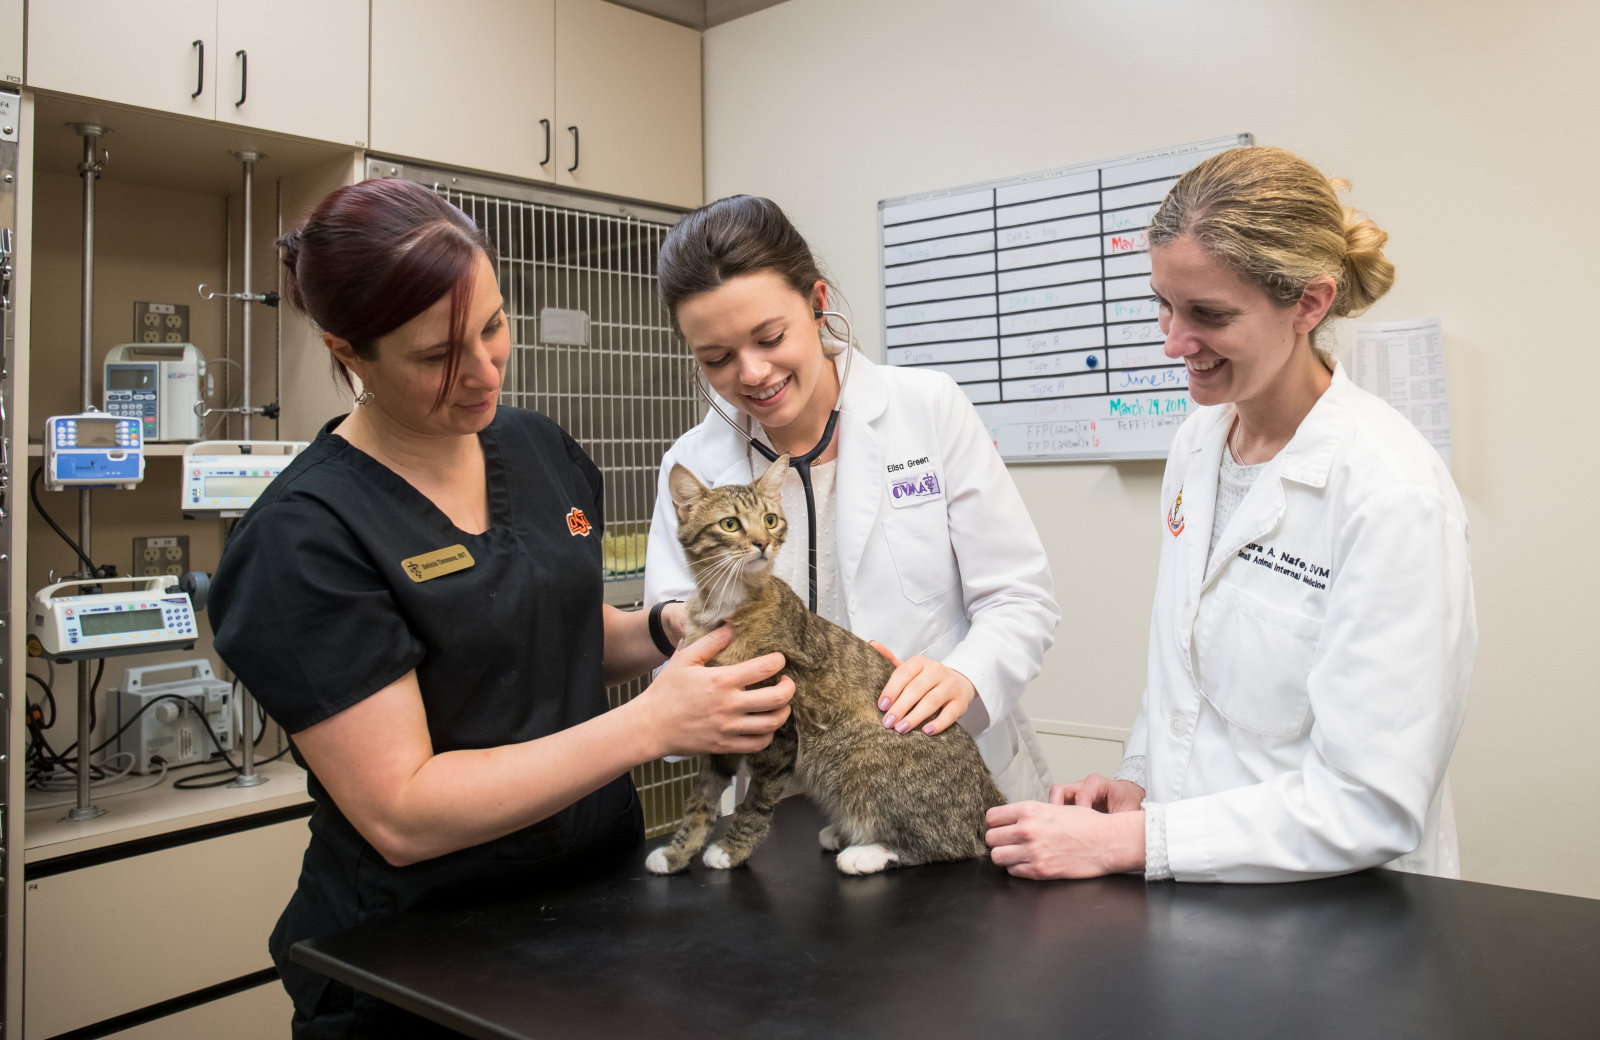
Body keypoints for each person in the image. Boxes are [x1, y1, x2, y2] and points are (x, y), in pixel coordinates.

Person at [208, 179, 795, 1038]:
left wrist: (664, 634)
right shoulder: (304, 539)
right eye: (437, 354)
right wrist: (651, 727)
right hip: (421, 952)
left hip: (597, 906)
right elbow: (403, 810)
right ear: (350, 352)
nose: (484, 369)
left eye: (493, 325)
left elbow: (552, 634)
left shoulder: (534, 447)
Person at [986, 147, 1475, 882]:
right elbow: (1184, 679)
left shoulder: (1389, 492)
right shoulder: (1200, 443)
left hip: (1342, 917)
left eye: (1209, 314)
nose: (1173, 342)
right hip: (1207, 892)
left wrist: (1133, 844)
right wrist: (1141, 785)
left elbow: (1370, 803)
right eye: (1164, 303)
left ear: (1308, 304)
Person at [642, 195, 1060, 803]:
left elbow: (1019, 596)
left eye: (770, 337)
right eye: (717, 358)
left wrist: (963, 677)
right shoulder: (695, 469)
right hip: (781, 796)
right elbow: (680, 651)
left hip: (929, 770)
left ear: (816, 304)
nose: (752, 373)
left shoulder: (927, 408)